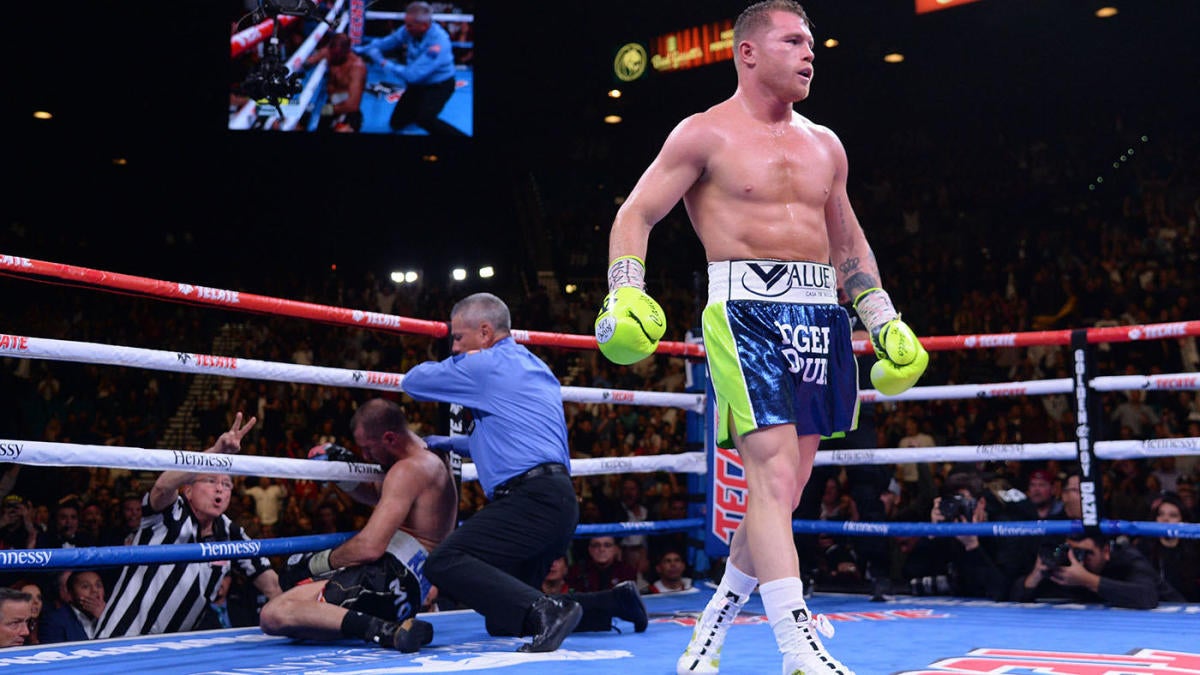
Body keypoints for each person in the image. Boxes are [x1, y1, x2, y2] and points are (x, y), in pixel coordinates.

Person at [597, 2, 928, 673]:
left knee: (786, 488)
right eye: (793, 40)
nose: (811, 52)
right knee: (772, 474)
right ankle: (796, 645)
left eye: (812, 42)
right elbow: (637, 212)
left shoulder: (825, 144)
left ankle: (711, 628)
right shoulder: (704, 135)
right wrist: (625, 288)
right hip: (744, 310)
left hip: (822, 318)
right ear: (748, 52)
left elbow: (850, 241)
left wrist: (882, 316)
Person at [404, 292, 647, 653]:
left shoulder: (484, 366)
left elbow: (414, 382)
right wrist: (449, 442)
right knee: (503, 620)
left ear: (485, 332)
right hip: (557, 501)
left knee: (444, 561)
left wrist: (466, 362)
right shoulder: (533, 364)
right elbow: (515, 437)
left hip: (530, 502)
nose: (454, 348)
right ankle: (614, 603)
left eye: (458, 338)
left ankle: (548, 608)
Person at [259, 398, 458, 653]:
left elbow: (369, 548)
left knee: (274, 614)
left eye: (367, 449)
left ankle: (385, 631)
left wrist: (315, 562)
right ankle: (389, 626)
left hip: (388, 577)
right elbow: (382, 493)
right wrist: (342, 473)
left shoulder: (408, 470)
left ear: (389, 438)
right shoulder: (427, 453)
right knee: (302, 611)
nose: (366, 457)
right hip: (408, 588)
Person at [95, 413, 283, 637]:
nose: (220, 489)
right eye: (211, 481)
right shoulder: (170, 514)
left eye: (226, 484)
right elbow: (163, 486)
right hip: (120, 637)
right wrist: (215, 452)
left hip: (173, 650)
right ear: (189, 490)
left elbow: (271, 585)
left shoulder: (230, 532)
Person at [355, 1, 466, 136]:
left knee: (425, 119)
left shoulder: (438, 43)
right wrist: (359, 50)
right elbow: (388, 42)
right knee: (397, 123)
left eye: (410, 25)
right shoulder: (410, 30)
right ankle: (419, 107)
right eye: (406, 24)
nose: (405, 28)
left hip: (438, 86)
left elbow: (412, 75)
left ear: (424, 26)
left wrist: (382, 62)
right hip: (417, 86)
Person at [1010, 530, 1184, 609]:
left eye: (1087, 553)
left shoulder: (1126, 559)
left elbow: (1147, 597)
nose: (1080, 560)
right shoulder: (1066, 564)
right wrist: (1036, 575)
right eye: (1075, 551)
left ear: (1106, 551)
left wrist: (1087, 579)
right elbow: (1012, 599)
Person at [304, 32, 366, 132]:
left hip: (345, 108)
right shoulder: (329, 52)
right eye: (333, 53)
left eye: (338, 54)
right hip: (329, 103)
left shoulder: (357, 68)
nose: (335, 57)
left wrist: (322, 110)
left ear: (347, 50)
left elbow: (352, 105)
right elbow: (307, 62)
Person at [38, 570, 105, 643]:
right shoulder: (53, 621)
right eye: (85, 586)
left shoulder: (114, 614)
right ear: (70, 594)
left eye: (98, 585)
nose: (95, 590)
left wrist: (104, 618)